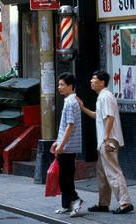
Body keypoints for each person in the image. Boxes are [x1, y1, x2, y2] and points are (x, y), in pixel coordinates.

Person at [78, 70, 133, 214]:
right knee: (102, 173)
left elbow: (110, 117)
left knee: (113, 172)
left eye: (94, 79)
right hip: (105, 140)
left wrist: (106, 138)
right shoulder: (102, 97)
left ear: (102, 82)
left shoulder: (106, 97)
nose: (91, 81)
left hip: (108, 140)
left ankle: (125, 203)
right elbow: (99, 116)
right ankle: (103, 203)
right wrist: (83, 108)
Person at [50, 73, 84, 217]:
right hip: (67, 145)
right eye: (59, 84)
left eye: (62, 84)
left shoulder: (70, 102)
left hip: (68, 147)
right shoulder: (70, 101)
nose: (59, 87)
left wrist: (61, 145)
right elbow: (65, 127)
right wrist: (58, 142)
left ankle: (76, 200)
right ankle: (66, 204)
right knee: (64, 176)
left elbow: (70, 126)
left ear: (70, 86)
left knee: (65, 177)